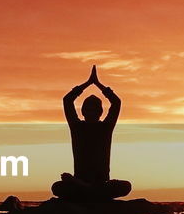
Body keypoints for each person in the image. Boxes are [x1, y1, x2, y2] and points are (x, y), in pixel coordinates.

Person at [52, 66, 131, 202]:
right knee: (56, 187)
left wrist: (98, 84)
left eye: (95, 109)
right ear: (83, 111)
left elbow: (116, 102)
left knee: (126, 186)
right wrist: (88, 83)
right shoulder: (77, 127)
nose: (91, 111)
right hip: (82, 181)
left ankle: (86, 189)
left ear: (100, 111)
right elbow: (67, 100)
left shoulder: (106, 127)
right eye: (88, 108)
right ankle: (87, 189)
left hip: (100, 182)